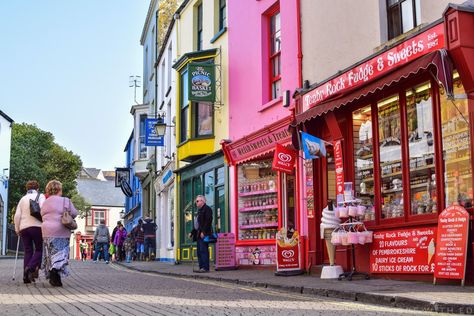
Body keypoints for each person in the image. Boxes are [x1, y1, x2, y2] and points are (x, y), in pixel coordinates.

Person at [40, 180, 78, 287]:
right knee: (60, 253)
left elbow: (41, 214)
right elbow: (74, 213)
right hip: (61, 230)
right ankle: (55, 274)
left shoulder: (45, 202)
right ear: (59, 189)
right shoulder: (65, 201)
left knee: (50, 254)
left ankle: (54, 276)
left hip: (47, 231)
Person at [14, 180, 46, 284]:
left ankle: (25, 276)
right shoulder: (40, 196)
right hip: (37, 227)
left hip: (24, 228)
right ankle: (30, 268)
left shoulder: (22, 199)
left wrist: (17, 228)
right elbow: (43, 210)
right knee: (39, 250)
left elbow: (17, 215)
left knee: (28, 251)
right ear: (37, 188)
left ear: (27, 188)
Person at [194, 195, 213, 273]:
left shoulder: (207, 209)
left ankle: (205, 268)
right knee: (199, 251)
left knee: (204, 250)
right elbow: (198, 224)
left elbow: (208, 221)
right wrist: (192, 232)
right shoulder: (200, 210)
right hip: (199, 234)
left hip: (204, 234)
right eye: (196, 201)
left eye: (198, 201)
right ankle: (201, 267)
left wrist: (204, 232)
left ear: (203, 201)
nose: (196, 202)